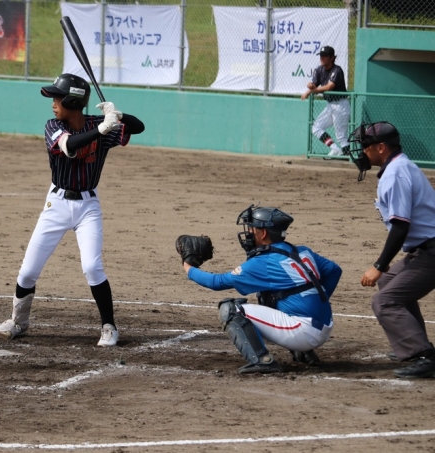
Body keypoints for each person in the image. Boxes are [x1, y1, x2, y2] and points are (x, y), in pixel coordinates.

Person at [0, 73, 145, 346]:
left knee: (92, 266)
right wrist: (102, 129)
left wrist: (118, 115)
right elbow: (69, 145)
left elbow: (139, 126)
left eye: (58, 98)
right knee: (27, 272)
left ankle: (109, 326)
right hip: (56, 205)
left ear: (73, 101)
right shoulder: (53, 125)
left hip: (88, 207)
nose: (53, 103)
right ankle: (18, 322)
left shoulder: (100, 124)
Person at [180, 205, 342, 374]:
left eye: (251, 228)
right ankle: (303, 351)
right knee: (268, 296)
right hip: (324, 325)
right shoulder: (302, 251)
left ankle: (262, 361)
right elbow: (334, 270)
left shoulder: (264, 262)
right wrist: (319, 300)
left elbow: (217, 282)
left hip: (303, 332)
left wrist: (188, 267)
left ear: (263, 233)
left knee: (232, 310)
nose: (248, 232)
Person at [348, 121, 435, 379]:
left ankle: (425, 356)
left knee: (384, 301)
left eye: (366, 145)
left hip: (431, 251)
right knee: (388, 281)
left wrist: (378, 265)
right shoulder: (398, 166)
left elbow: (400, 227)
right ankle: (415, 342)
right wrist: (384, 267)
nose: (362, 151)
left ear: (381, 147)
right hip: (424, 249)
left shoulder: (396, 173)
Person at [301, 45, 351, 158]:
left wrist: (312, 91)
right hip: (330, 105)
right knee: (316, 128)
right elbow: (314, 84)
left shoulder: (337, 70)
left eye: (325, 56)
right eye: (321, 56)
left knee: (341, 137)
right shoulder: (319, 70)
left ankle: (349, 158)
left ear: (332, 57)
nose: (322, 58)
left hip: (341, 105)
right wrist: (310, 87)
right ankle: (335, 149)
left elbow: (329, 87)